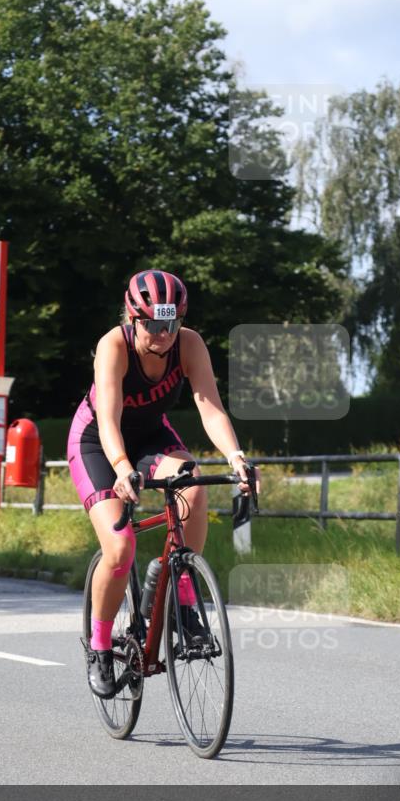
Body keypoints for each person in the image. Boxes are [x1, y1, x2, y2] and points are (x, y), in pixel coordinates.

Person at [67, 269, 260, 697]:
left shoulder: (189, 344)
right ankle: (99, 646)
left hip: (153, 436)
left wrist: (236, 457)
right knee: (120, 549)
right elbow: (109, 420)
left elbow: (211, 408)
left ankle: (181, 596)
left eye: (171, 323)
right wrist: (120, 467)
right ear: (133, 319)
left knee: (193, 483)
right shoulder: (112, 346)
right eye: (154, 325)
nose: (164, 334)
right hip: (98, 442)